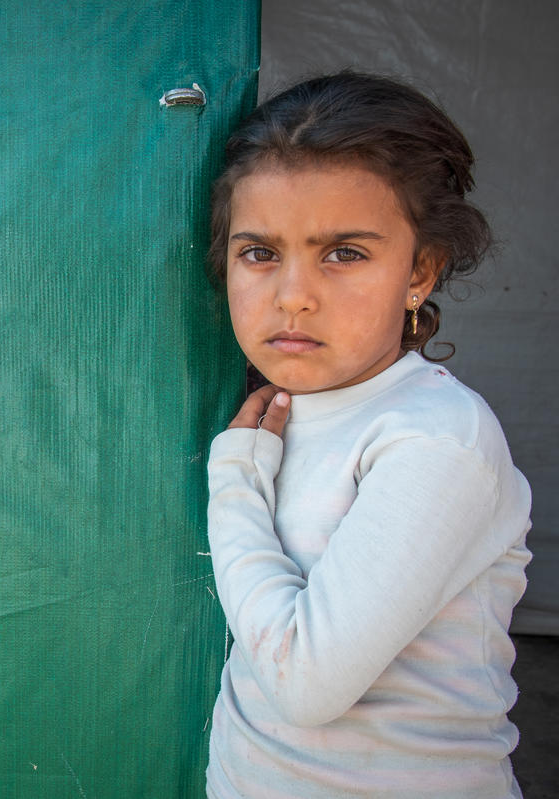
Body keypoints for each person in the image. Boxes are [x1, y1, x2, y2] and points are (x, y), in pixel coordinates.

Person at [203, 72, 532, 798]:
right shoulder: (280, 412)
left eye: (344, 253)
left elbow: (304, 681)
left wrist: (233, 489)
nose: (293, 293)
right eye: (260, 252)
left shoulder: (437, 436)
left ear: (420, 270)